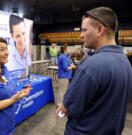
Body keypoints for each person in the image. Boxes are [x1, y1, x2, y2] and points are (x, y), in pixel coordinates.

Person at [56, 7, 132, 135]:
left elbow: (66, 109)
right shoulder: (125, 62)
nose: (81, 35)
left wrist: (63, 110)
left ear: (99, 29)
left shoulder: (91, 65)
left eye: (84, 30)